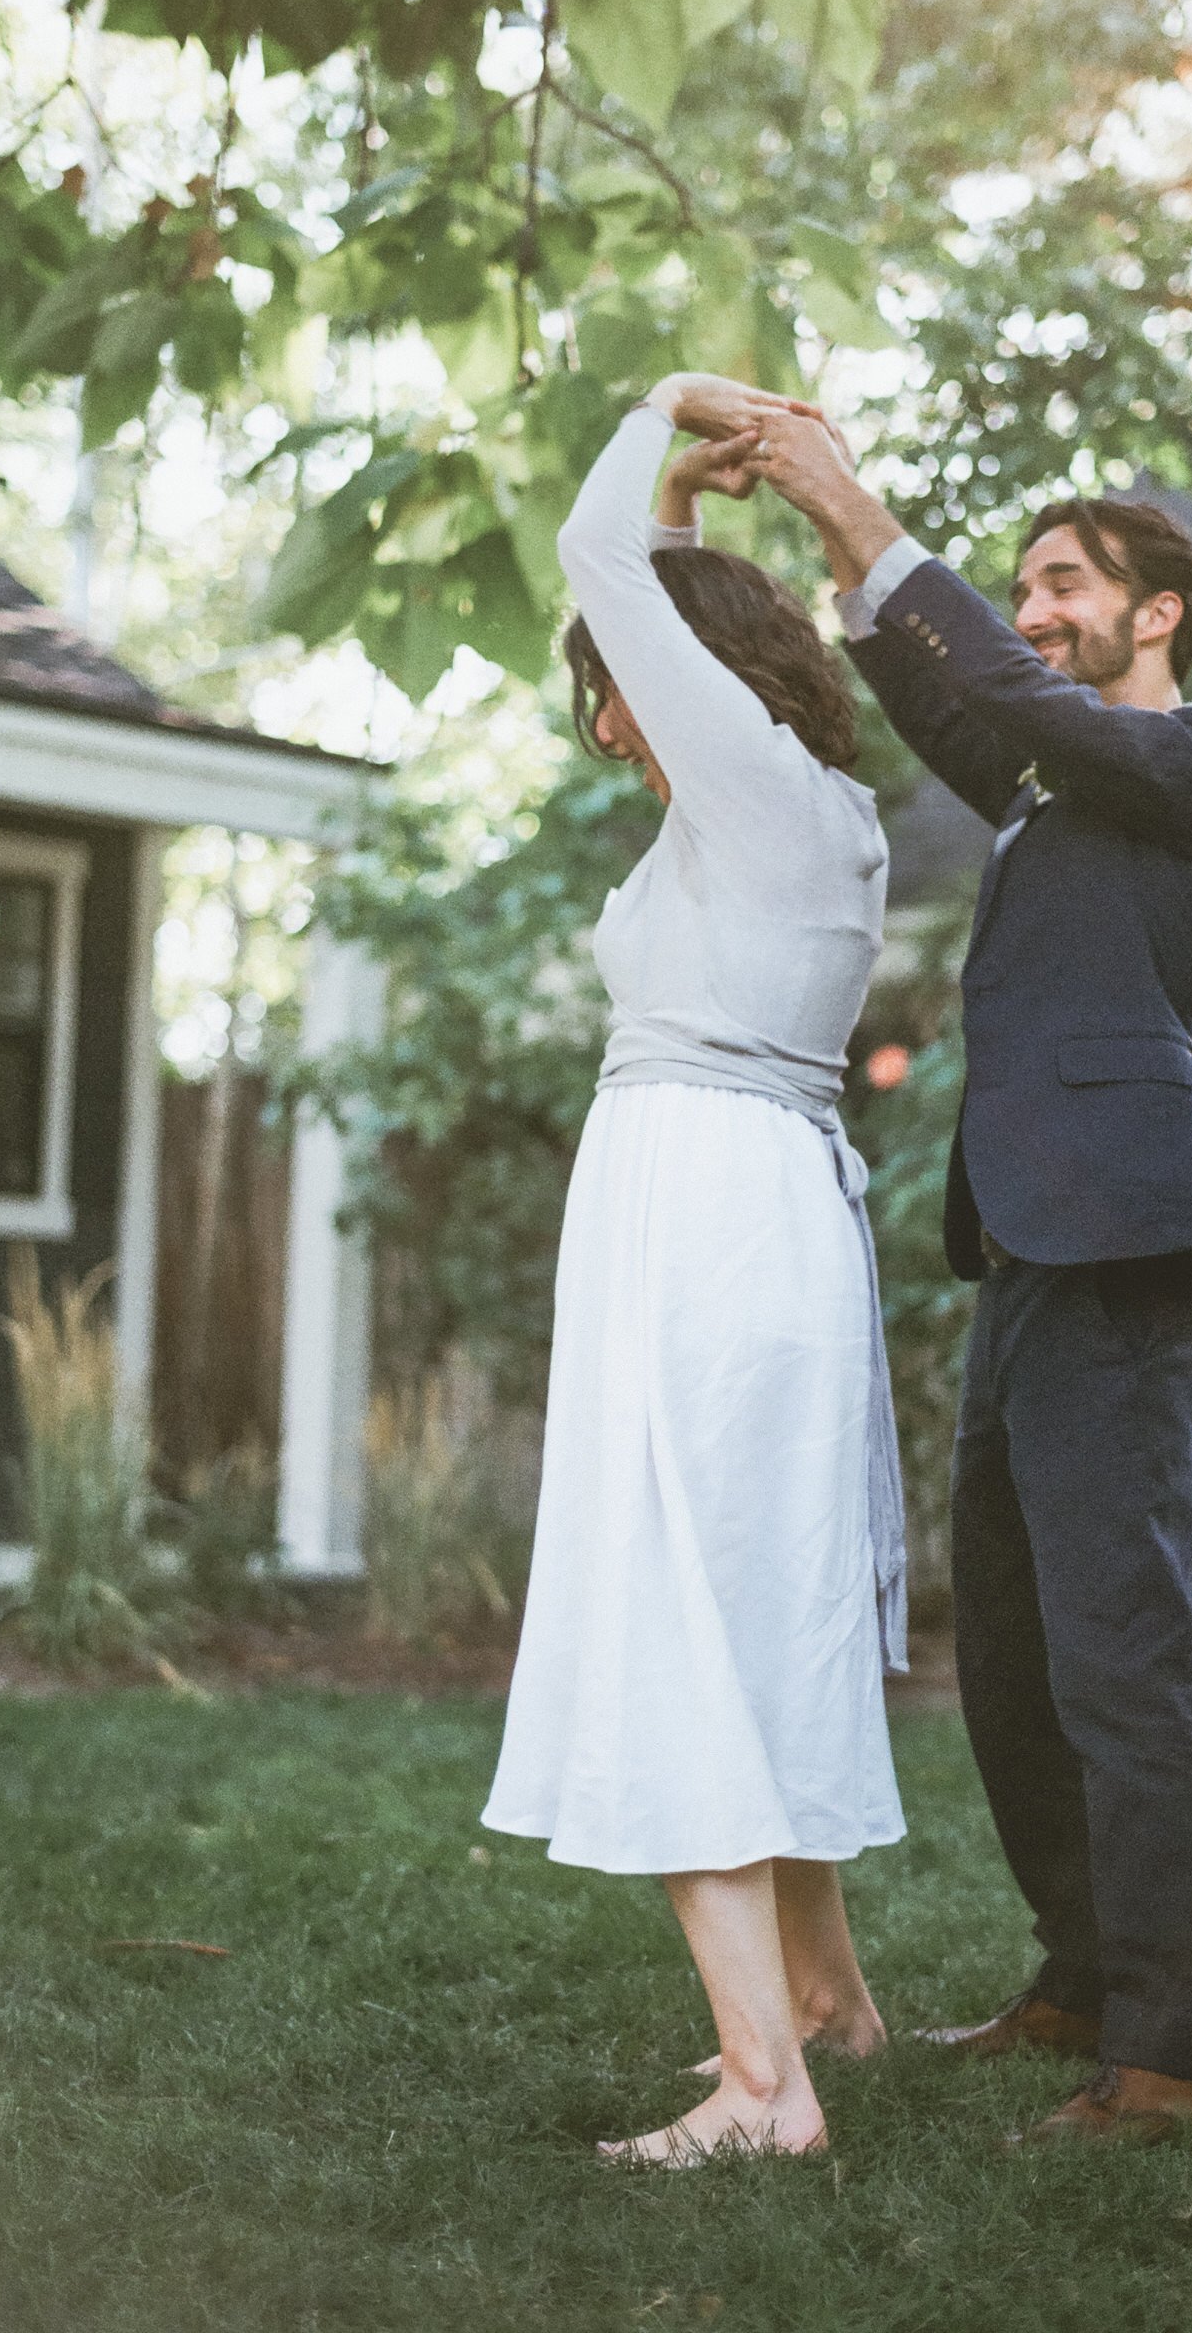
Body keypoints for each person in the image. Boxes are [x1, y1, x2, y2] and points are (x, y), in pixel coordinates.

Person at [750, 410, 1192, 2145]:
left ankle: (1169, 2051)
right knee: (1007, 1640)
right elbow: (961, 705)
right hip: (1023, 1246)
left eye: (1064, 583)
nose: (1034, 607)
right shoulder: (1057, 785)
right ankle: (1076, 1969)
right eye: (1025, 585)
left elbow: (1022, 703)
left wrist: (861, 503)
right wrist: (850, 570)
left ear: (1160, 615)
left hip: (1125, 1245)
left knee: (1117, 1648)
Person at [481, 373, 908, 2168]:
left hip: (706, 1216)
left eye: (618, 689)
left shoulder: (743, 792)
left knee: (672, 1601)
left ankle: (762, 2088)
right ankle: (823, 2000)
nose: (610, 725)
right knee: (755, 1595)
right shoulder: (797, 802)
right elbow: (640, 576)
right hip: (760, 1206)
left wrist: (667, 408)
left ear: (687, 677)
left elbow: (594, 554)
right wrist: (696, 512)